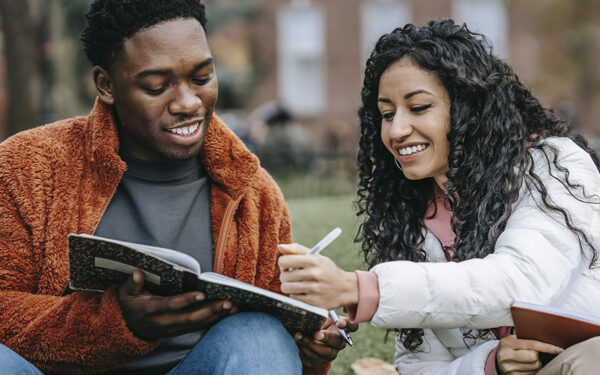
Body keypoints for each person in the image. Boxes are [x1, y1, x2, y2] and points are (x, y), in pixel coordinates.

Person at [0, 1, 354, 374]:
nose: (189, 103)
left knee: (260, 334)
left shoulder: (253, 193)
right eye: (157, 86)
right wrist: (114, 324)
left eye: (202, 78)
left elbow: (273, 351)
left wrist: (312, 349)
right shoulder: (27, 168)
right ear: (107, 85)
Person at [278, 19, 600, 374]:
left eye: (418, 108)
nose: (397, 130)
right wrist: (491, 364)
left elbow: (519, 282)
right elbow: (419, 366)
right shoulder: (410, 220)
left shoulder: (554, 165)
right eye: (387, 114)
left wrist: (358, 288)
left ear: (469, 109)